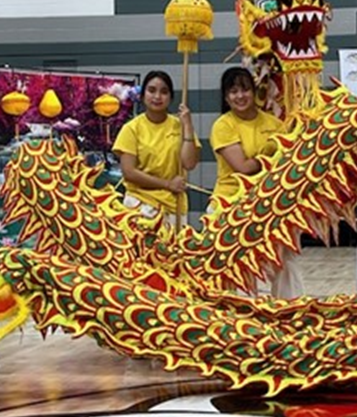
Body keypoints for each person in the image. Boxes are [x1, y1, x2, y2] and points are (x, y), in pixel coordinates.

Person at [209, 66, 303, 298]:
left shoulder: (274, 123)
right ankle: (238, 319)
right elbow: (242, 167)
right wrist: (271, 154)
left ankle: (290, 311)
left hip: (270, 203)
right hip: (231, 205)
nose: (240, 96)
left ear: (254, 91)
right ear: (225, 97)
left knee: (284, 259)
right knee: (237, 266)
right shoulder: (223, 125)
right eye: (233, 91)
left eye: (245, 89)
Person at [112, 71, 200, 226]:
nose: (157, 96)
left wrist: (187, 125)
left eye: (164, 92)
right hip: (140, 205)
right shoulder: (132, 128)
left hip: (174, 206)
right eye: (151, 90)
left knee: (174, 250)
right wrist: (167, 184)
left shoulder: (180, 126)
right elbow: (129, 173)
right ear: (142, 95)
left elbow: (189, 163)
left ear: (171, 98)